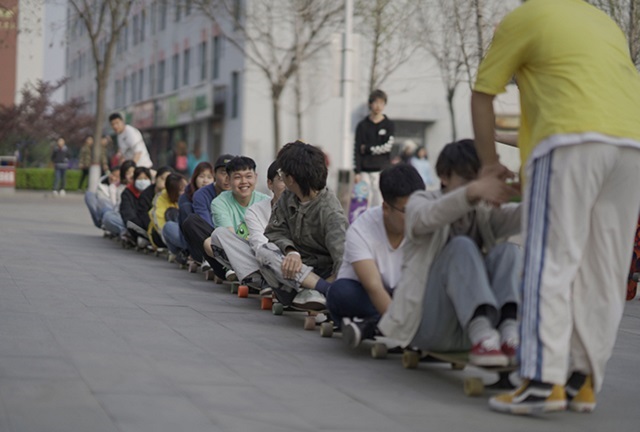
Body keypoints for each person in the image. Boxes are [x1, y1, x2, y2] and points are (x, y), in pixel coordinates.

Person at [471, 0, 640, 415]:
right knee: (604, 270)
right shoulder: (604, 23)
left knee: (550, 261)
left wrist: (489, 166)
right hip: (631, 145)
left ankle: (541, 382)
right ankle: (581, 382)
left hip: (568, 142)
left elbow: (482, 96)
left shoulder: (522, 18)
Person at [375, 139, 521, 364]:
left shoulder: (482, 211)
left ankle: (509, 334)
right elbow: (427, 217)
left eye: (478, 178)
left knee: (508, 252)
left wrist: (530, 191)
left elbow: (522, 216)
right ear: (444, 176)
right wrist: (473, 191)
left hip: (468, 332)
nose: (475, 185)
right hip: (426, 327)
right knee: (461, 246)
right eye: (466, 179)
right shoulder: (420, 201)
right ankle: (482, 334)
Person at [327, 164, 425, 338]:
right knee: (340, 293)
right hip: (366, 294)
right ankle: (390, 324)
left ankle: (370, 325)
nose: (415, 216)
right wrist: (403, 330)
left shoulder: (425, 222)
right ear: (386, 208)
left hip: (405, 295)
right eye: (407, 210)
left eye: (419, 208)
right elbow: (374, 287)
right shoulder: (361, 230)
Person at [257, 141, 349, 310]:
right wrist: (292, 252)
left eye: (281, 172)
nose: (281, 176)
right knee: (265, 251)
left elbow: (343, 260)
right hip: (291, 268)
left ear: (290, 179)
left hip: (322, 272)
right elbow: (274, 232)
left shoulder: (330, 212)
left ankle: (318, 290)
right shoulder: (287, 197)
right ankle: (316, 292)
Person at [202, 160, 284, 287]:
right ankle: (257, 277)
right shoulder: (256, 209)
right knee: (214, 237)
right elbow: (235, 235)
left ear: (256, 178)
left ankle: (259, 278)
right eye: (238, 177)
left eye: (248, 176)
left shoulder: (266, 199)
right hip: (250, 251)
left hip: (281, 258)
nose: (244, 181)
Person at [180, 154, 232, 269]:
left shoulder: (240, 193)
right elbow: (206, 225)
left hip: (235, 244)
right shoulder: (201, 194)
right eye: (223, 172)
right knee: (190, 220)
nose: (228, 177)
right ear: (215, 174)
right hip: (209, 242)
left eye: (232, 173)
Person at [166, 161, 215, 264]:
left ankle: (186, 253)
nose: (205, 181)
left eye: (209, 177)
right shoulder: (185, 196)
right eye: (201, 176)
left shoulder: (217, 196)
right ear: (195, 178)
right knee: (168, 227)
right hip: (188, 239)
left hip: (210, 239)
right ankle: (187, 252)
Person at [353, 89, 395, 207]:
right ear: (370, 104)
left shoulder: (389, 125)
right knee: (363, 204)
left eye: (381, 103)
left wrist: (367, 149)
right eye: (375, 102)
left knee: (380, 203)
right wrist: (357, 171)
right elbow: (357, 149)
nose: (378, 106)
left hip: (381, 170)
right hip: (365, 172)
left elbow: (387, 147)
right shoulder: (362, 126)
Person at [148, 173, 186, 250]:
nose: (185, 191)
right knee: (171, 214)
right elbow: (160, 224)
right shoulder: (161, 198)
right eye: (182, 190)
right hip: (163, 236)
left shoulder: (191, 195)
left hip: (184, 234)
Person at [102, 160, 136, 237]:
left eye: (133, 172)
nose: (131, 175)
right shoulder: (120, 188)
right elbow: (116, 206)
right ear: (123, 175)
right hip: (123, 216)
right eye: (128, 173)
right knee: (108, 216)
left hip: (136, 218)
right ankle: (126, 232)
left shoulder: (141, 188)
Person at [85, 166, 121, 230]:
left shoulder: (122, 187)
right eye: (113, 175)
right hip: (103, 209)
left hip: (115, 211)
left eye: (117, 177)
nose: (113, 178)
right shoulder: (102, 184)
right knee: (90, 195)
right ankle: (101, 222)